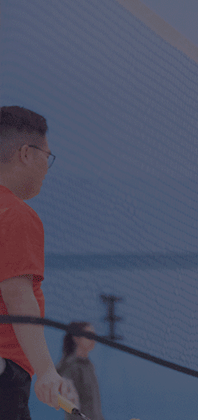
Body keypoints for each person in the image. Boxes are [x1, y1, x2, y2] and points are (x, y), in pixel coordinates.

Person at [0, 105, 76, 418]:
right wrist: (46, 370)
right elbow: (18, 294)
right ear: (26, 154)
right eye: (48, 156)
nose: (47, 167)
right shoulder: (15, 214)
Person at [57, 322, 104, 420]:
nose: (93, 340)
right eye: (88, 336)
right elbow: (71, 405)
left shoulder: (89, 365)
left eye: (94, 336)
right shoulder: (70, 367)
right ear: (76, 338)